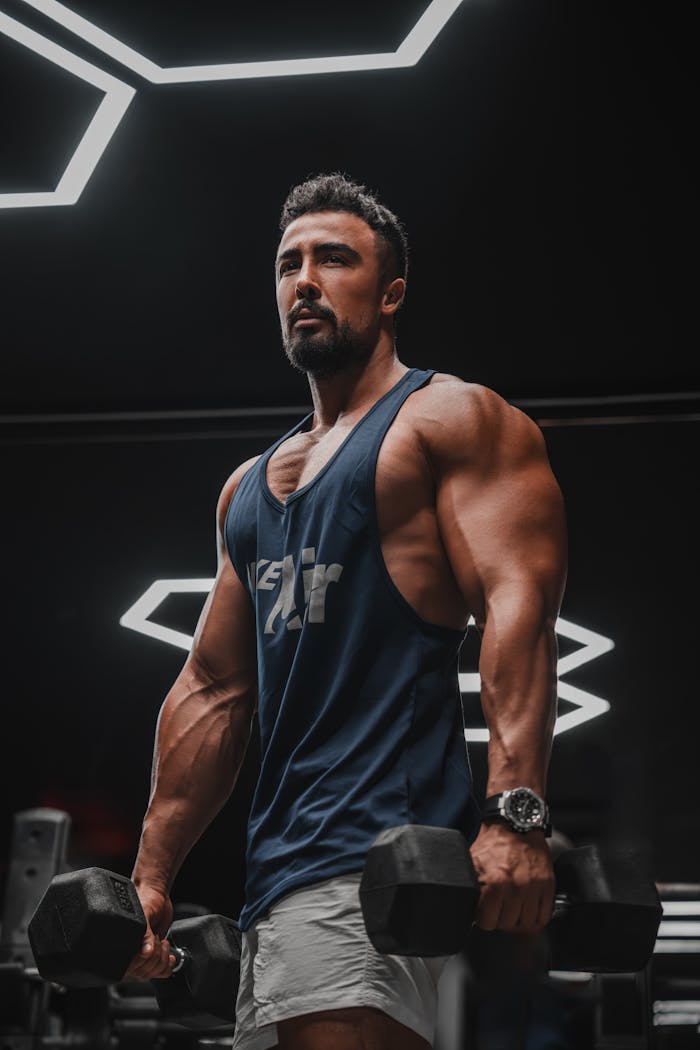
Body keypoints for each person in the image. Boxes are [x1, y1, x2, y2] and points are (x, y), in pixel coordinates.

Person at [125, 173, 568, 1050]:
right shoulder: (248, 488)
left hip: (376, 858)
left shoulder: (450, 420)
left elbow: (517, 608)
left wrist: (514, 812)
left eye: (334, 259)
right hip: (274, 878)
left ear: (391, 291)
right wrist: (150, 878)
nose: (305, 281)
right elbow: (214, 688)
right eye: (288, 264)